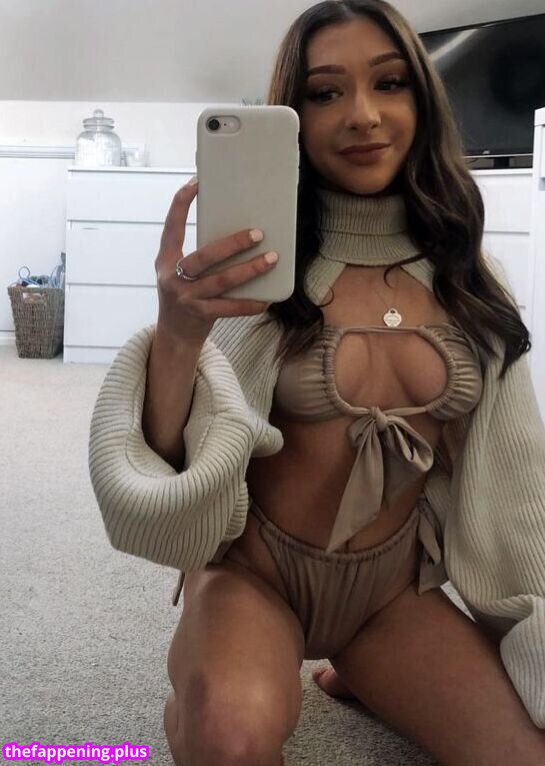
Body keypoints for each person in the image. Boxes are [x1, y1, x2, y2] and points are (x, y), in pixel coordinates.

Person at [88, 1, 545, 764]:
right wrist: (178, 333)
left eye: (388, 83)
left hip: (389, 595)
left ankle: (356, 672)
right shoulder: (259, 271)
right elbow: (169, 468)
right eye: (325, 92)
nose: (362, 115)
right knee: (230, 741)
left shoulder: (467, 282)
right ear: (292, 116)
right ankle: (196, 703)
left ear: (421, 100)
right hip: (253, 577)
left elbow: (517, 494)